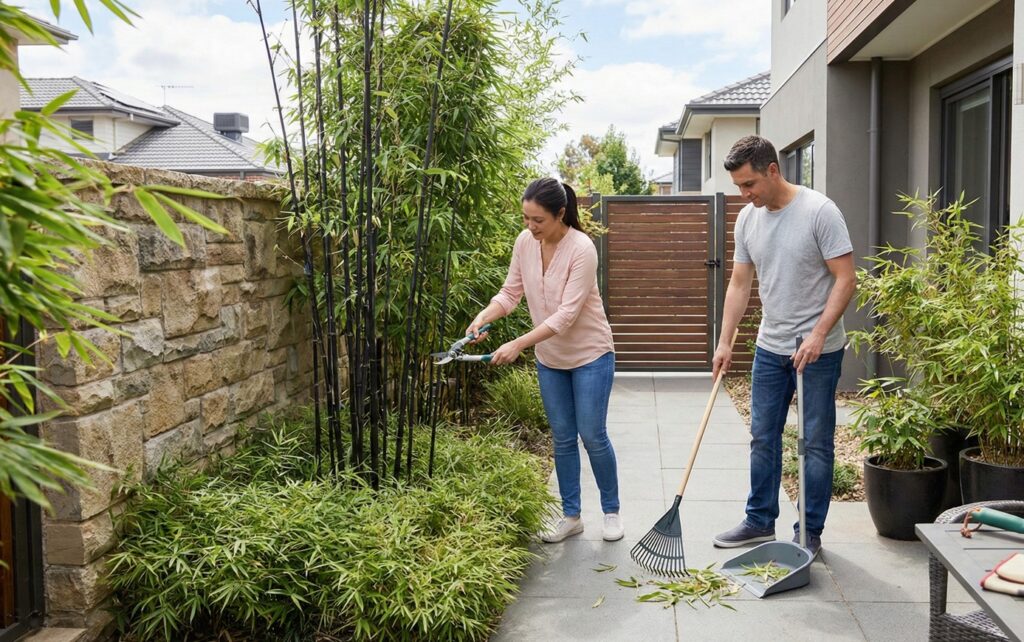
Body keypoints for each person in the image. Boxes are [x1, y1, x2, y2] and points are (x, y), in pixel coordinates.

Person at [710, 135, 856, 557]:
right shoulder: (747, 220)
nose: (744, 194)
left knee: (814, 442)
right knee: (762, 436)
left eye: (749, 184)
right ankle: (759, 520)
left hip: (819, 350)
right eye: (739, 186)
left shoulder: (819, 212)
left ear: (773, 170)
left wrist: (817, 334)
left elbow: (846, 279)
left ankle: (810, 532)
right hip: (770, 346)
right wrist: (725, 342)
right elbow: (739, 283)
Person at [467, 177, 622, 543]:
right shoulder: (525, 242)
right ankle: (571, 516)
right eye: (525, 218)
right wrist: (483, 317)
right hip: (550, 358)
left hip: (590, 354)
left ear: (560, 214)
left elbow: (566, 316)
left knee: (592, 435)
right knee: (563, 437)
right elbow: (510, 293)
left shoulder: (582, 249)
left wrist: (517, 344)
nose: (530, 226)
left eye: (538, 220)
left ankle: (611, 511)